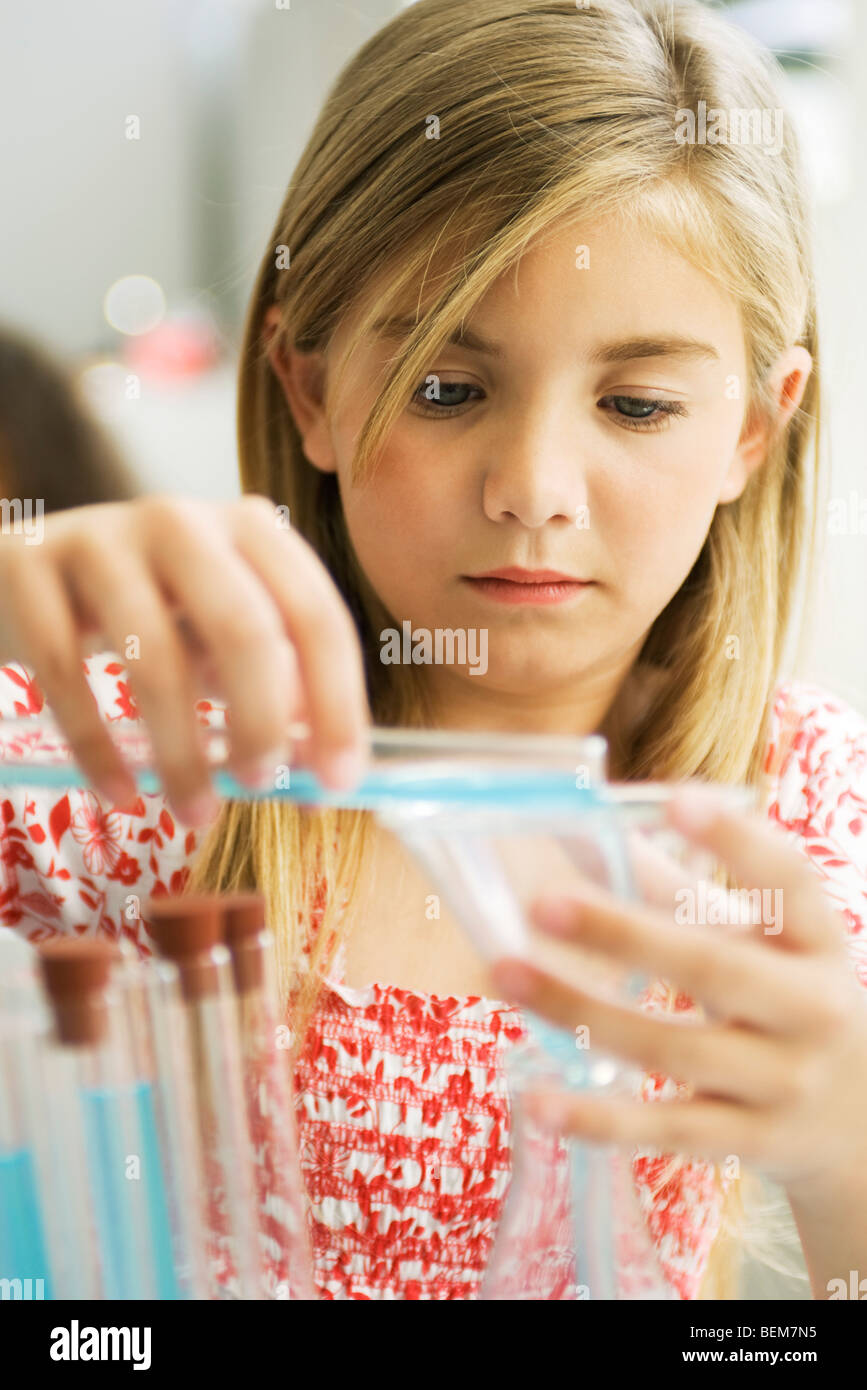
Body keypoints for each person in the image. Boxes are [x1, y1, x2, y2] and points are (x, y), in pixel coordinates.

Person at [0, 0, 865, 1300]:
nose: (532, 488)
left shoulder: (820, 822)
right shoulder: (141, 758)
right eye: (448, 390)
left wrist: (849, 1160)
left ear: (755, 428)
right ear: (310, 387)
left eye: (637, 404)